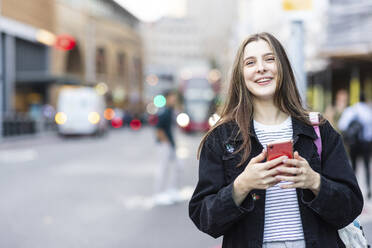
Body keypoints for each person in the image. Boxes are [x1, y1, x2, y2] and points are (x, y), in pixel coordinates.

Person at [188, 33, 363, 247]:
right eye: (250, 62)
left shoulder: (318, 130)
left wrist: (314, 181)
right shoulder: (221, 137)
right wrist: (242, 185)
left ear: (283, 67)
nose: (261, 68)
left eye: (269, 59)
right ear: (241, 75)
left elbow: (351, 206)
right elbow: (205, 219)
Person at [338, 93, 372, 198]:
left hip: (354, 143)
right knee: (367, 166)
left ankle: (354, 190)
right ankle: (368, 189)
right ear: (365, 100)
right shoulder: (368, 111)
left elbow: (342, 124)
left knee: (354, 167)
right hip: (366, 143)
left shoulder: (352, 110)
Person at [153, 90, 182, 205]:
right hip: (165, 145)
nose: (174, 99)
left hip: (169, 144)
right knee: (163, 168)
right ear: (167, 98)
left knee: (176, 167)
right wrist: (167, 144)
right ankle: (159, 193)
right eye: (172, 97)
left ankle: (171, 190)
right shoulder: (164, 112)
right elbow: (158, 130)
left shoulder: (170, 111)